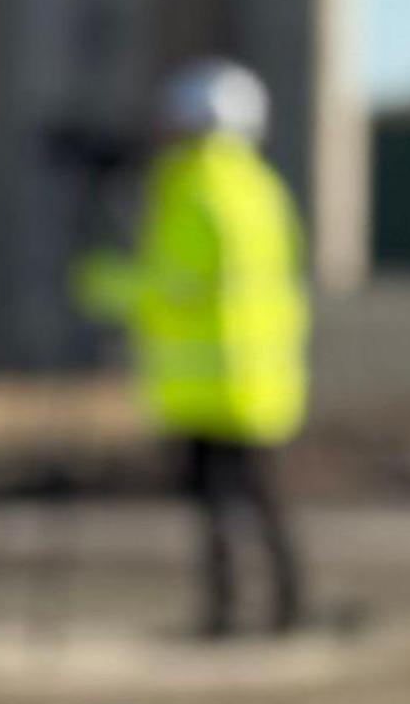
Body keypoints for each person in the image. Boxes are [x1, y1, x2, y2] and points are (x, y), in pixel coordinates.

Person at [77, 57, 312, 637]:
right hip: (263, 376)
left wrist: (103, 284)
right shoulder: (263, 189)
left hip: (206, 378)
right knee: (262, 498)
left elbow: (175, 285)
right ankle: (287, 606)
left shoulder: (190, 189)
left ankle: (226, 613)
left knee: (216, 505)